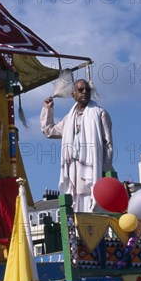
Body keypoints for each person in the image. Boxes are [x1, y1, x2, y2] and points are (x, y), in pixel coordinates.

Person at [40, 79, 113, 212]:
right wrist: (48, 110)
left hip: (94, 170)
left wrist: (104, 169)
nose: (85, 92)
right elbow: (49, 131)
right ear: (73, 94)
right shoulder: (69, 118)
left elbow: (107, 144)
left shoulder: (100, 113)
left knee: (94, 203)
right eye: (80, 90)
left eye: (87, 90)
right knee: (76, 205)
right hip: (74, 170)